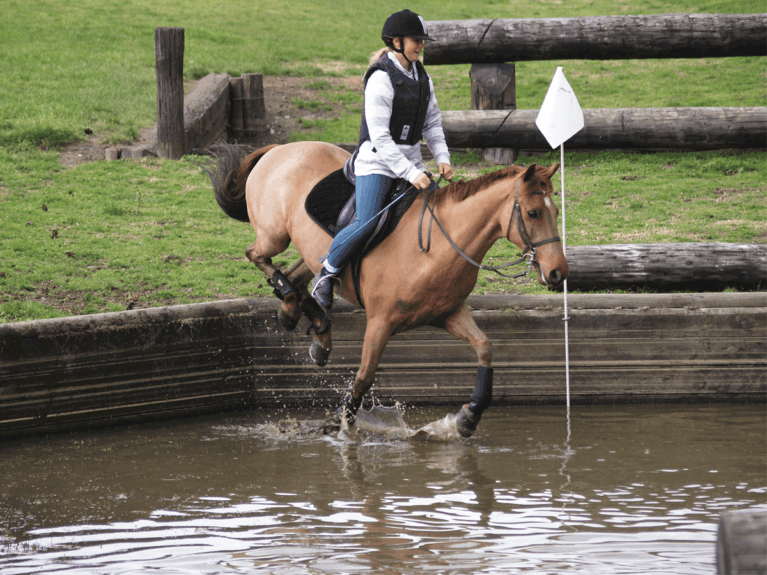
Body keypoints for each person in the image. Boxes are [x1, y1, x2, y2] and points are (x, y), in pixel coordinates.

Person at [311, 9, 453, 310]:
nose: (421, 46)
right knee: (368, 220)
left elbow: (432, 125)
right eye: (417, 40)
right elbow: (380, 138)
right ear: (397, 41)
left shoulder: (422, 77)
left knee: (438, 213)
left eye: (422, 40)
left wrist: (442, 157)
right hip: (377, 162)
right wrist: (411, 172)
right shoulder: (380, 78)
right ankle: (327, 274)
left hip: (410, 162)